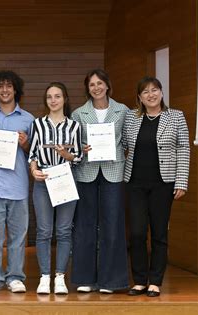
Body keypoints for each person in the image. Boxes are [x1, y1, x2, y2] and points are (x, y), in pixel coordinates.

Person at [123, 76, 190, 297]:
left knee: (160, 233)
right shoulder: (132, 119)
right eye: (145, 92)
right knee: (137, 233)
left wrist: (181, 181)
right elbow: (122, 144)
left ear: (161, 92)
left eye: (154, 90)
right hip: (134, 184)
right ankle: (140, 280)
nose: (150, 95)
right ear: (139, 98)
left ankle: (155, 281)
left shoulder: (176, 117)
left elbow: (184, 149)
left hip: (164, 184)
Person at [70, 69, 129, 294]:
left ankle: (111, 281)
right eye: (92, 84)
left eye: (100, 83)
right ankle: (85, 278)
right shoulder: (78, 114)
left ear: (107, 85)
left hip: (113, 172)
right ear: (87, 88)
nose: (96, 87)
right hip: (87, 173)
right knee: (85, 226)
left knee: (113, 225)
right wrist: (82, 150)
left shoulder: (122, 110)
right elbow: (74, 148)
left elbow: (127, 141)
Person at [0, 70, 34, 294]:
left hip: (18, 185)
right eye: (0, 86)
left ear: (16, 89)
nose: (4, 90)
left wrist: (26, 144)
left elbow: (35, 154)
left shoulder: (28, 119)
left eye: (9, 86)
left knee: (18, 237)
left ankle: (15, 277)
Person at [29, 82, 82, 295]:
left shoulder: (74, 126)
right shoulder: (37, 124)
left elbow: (78, 157)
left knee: (63, 230)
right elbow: (32, 154)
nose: (53, 100)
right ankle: (44, 277)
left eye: (57, 96)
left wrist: (66, 156)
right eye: (49, 96)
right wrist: (33, 170)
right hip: (43, 180)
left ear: (65, 99)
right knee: (43, 231)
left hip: (65, 178)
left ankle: (60, 276)